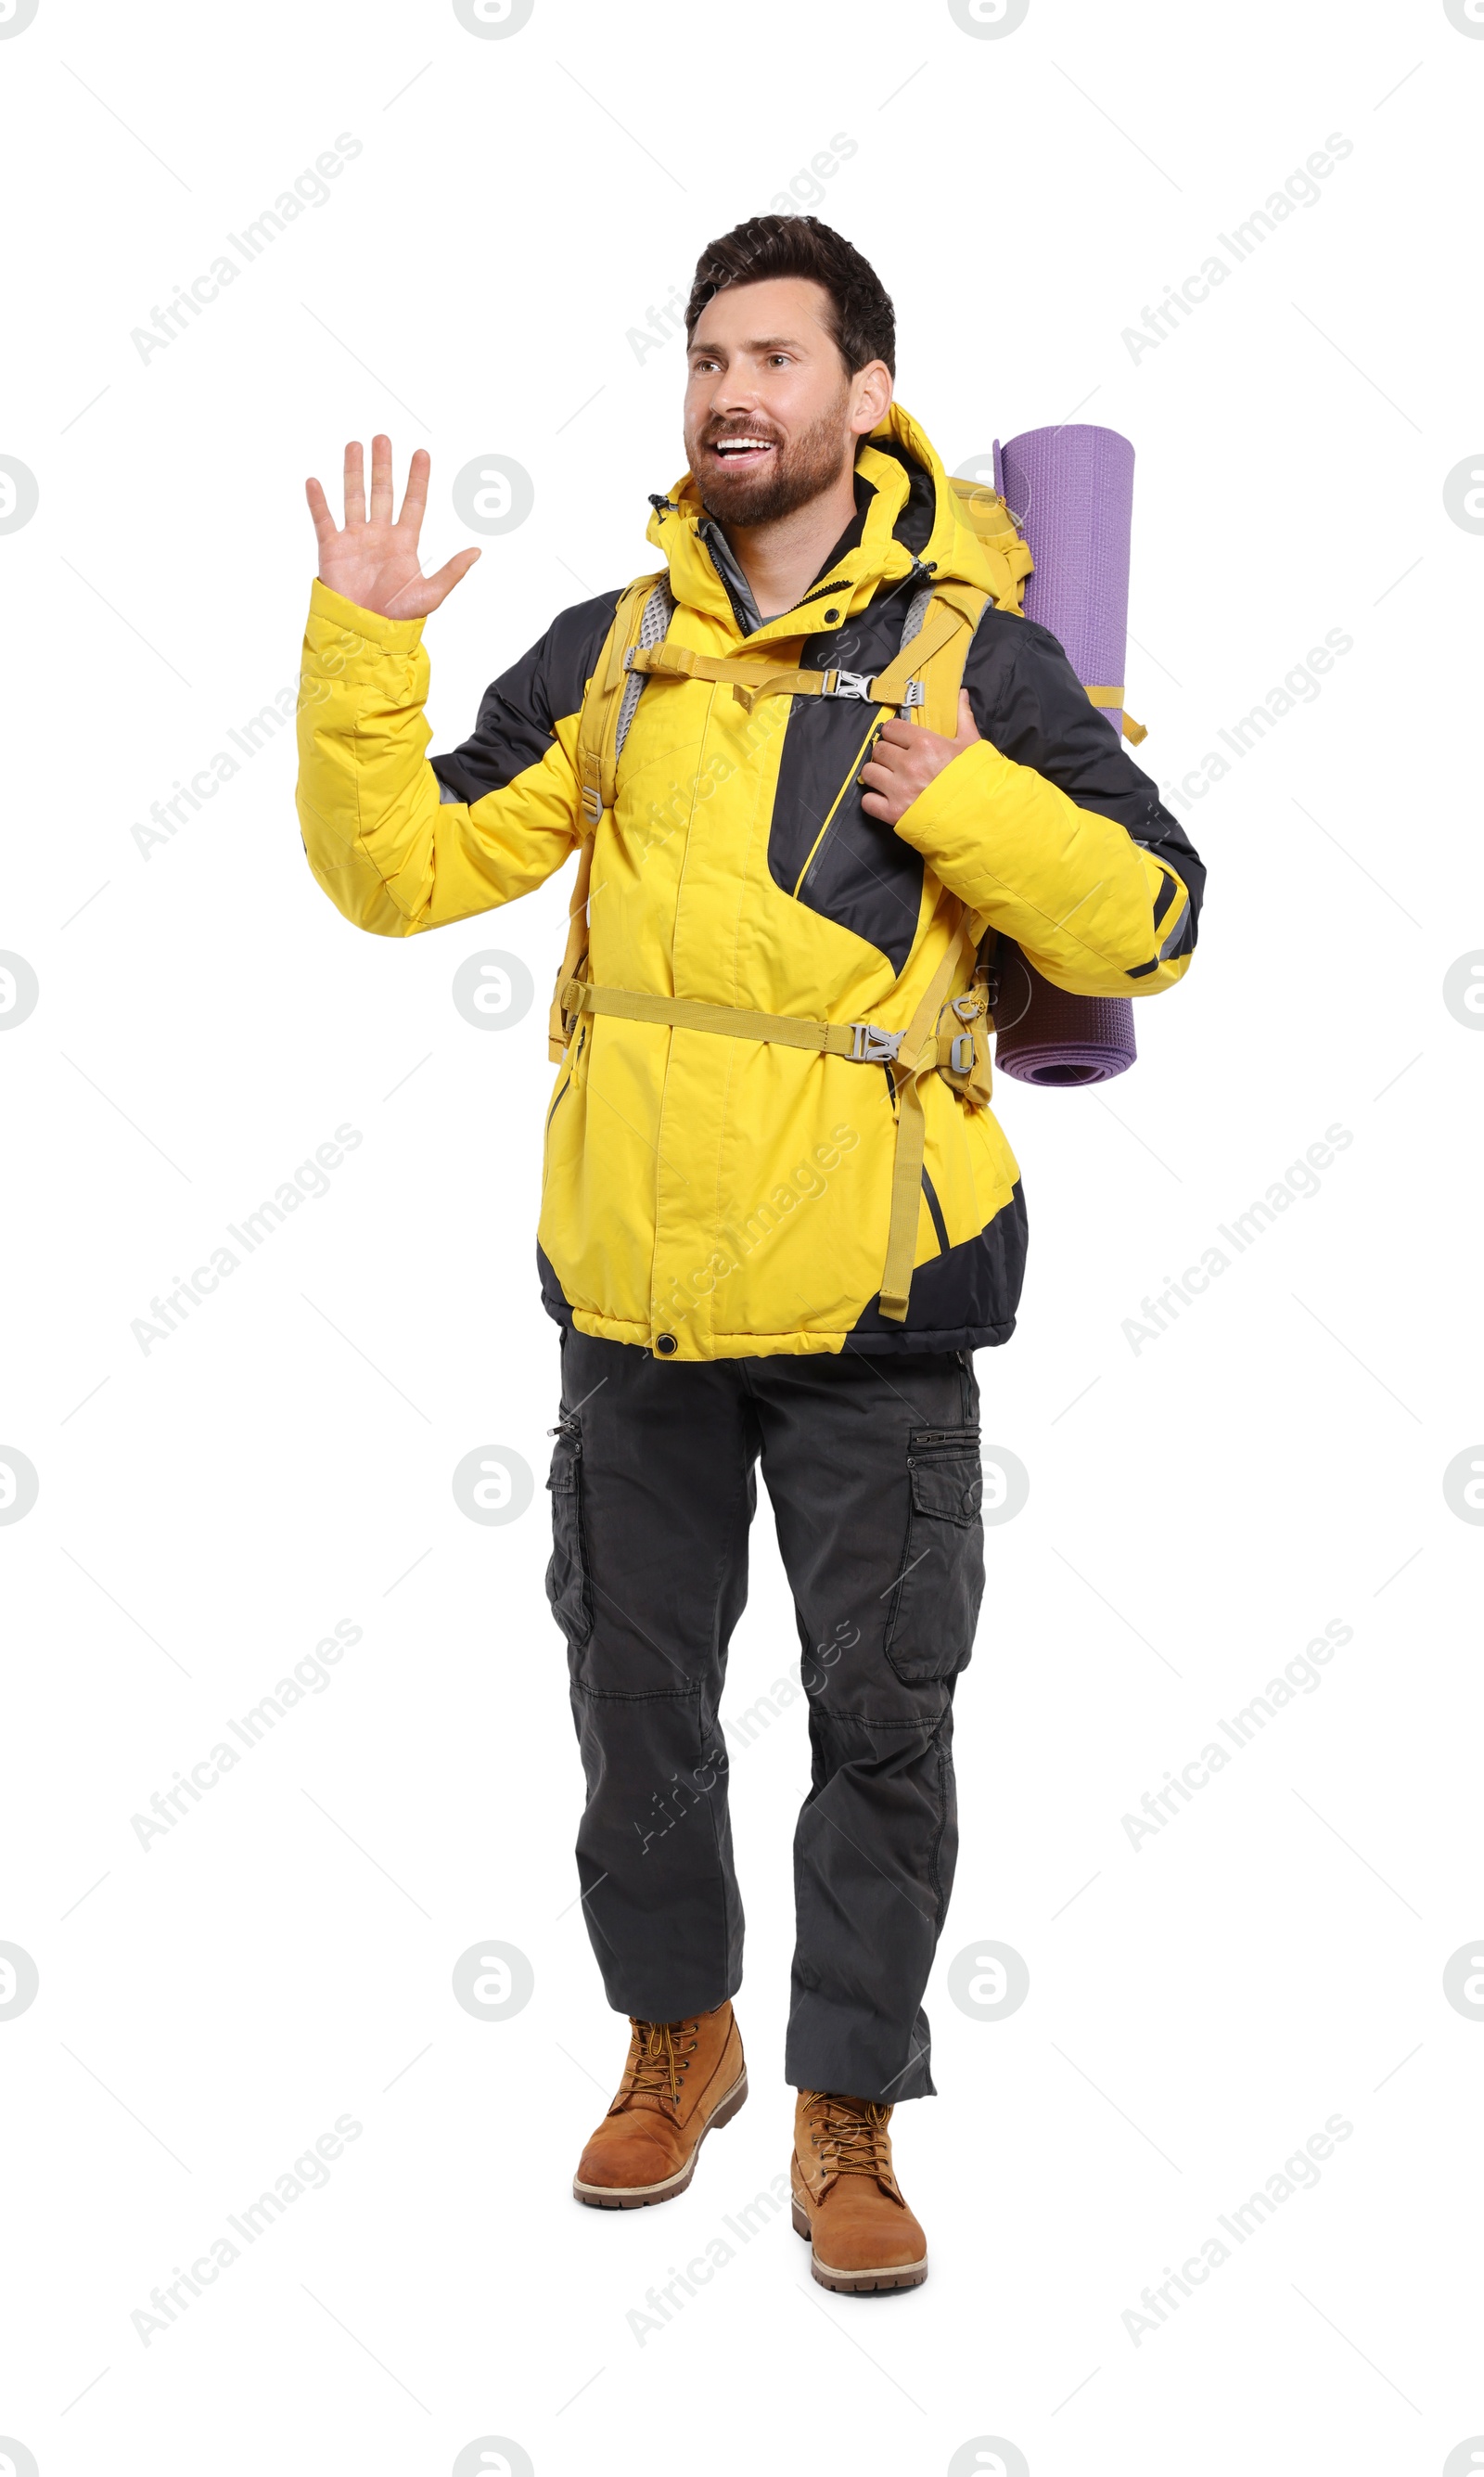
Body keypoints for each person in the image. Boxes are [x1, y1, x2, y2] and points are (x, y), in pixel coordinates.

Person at [295, 214, 1205, 2295]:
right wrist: (363, 654)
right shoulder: (613, 650)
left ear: (865, 395)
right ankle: (675, 2038)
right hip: (632, 1297)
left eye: (776, 359)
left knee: (880, 1719)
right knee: (637, 1707)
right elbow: (398, 871)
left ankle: (848, 2102)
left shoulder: (982, 653)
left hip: (881, 1303)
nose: (730, 391)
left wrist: (974, 802)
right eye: (707, 355)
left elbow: (1149, 921)